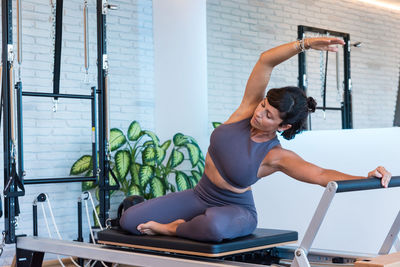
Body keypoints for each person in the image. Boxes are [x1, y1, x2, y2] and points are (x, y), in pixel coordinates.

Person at [119, 37, 392, 242]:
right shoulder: (247, 111)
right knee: (130, 220)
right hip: (199, 194)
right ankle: (188, 223)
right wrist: (306, 43)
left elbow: (321, 174)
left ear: (283, 126)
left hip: (236, 211)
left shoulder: (276, 156)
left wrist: (366, 177)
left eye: (269, 115)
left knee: (214, 226)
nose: (259, 114)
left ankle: (174, 227)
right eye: (263, 105)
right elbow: (265, 60)